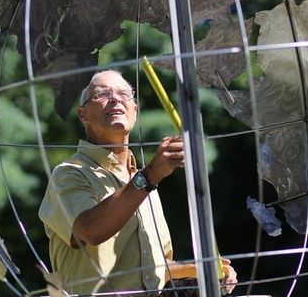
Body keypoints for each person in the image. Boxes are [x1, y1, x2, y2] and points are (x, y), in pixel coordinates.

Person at [38, 70, 237, 295]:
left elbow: (154, 268)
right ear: (83, 114)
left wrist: (200, 270)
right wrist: (150, 175)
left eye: (124, 94)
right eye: (103, 94)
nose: (115, 98)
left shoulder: (143, 186)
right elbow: (90, 231)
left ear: (135, 111)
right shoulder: (69, 174)